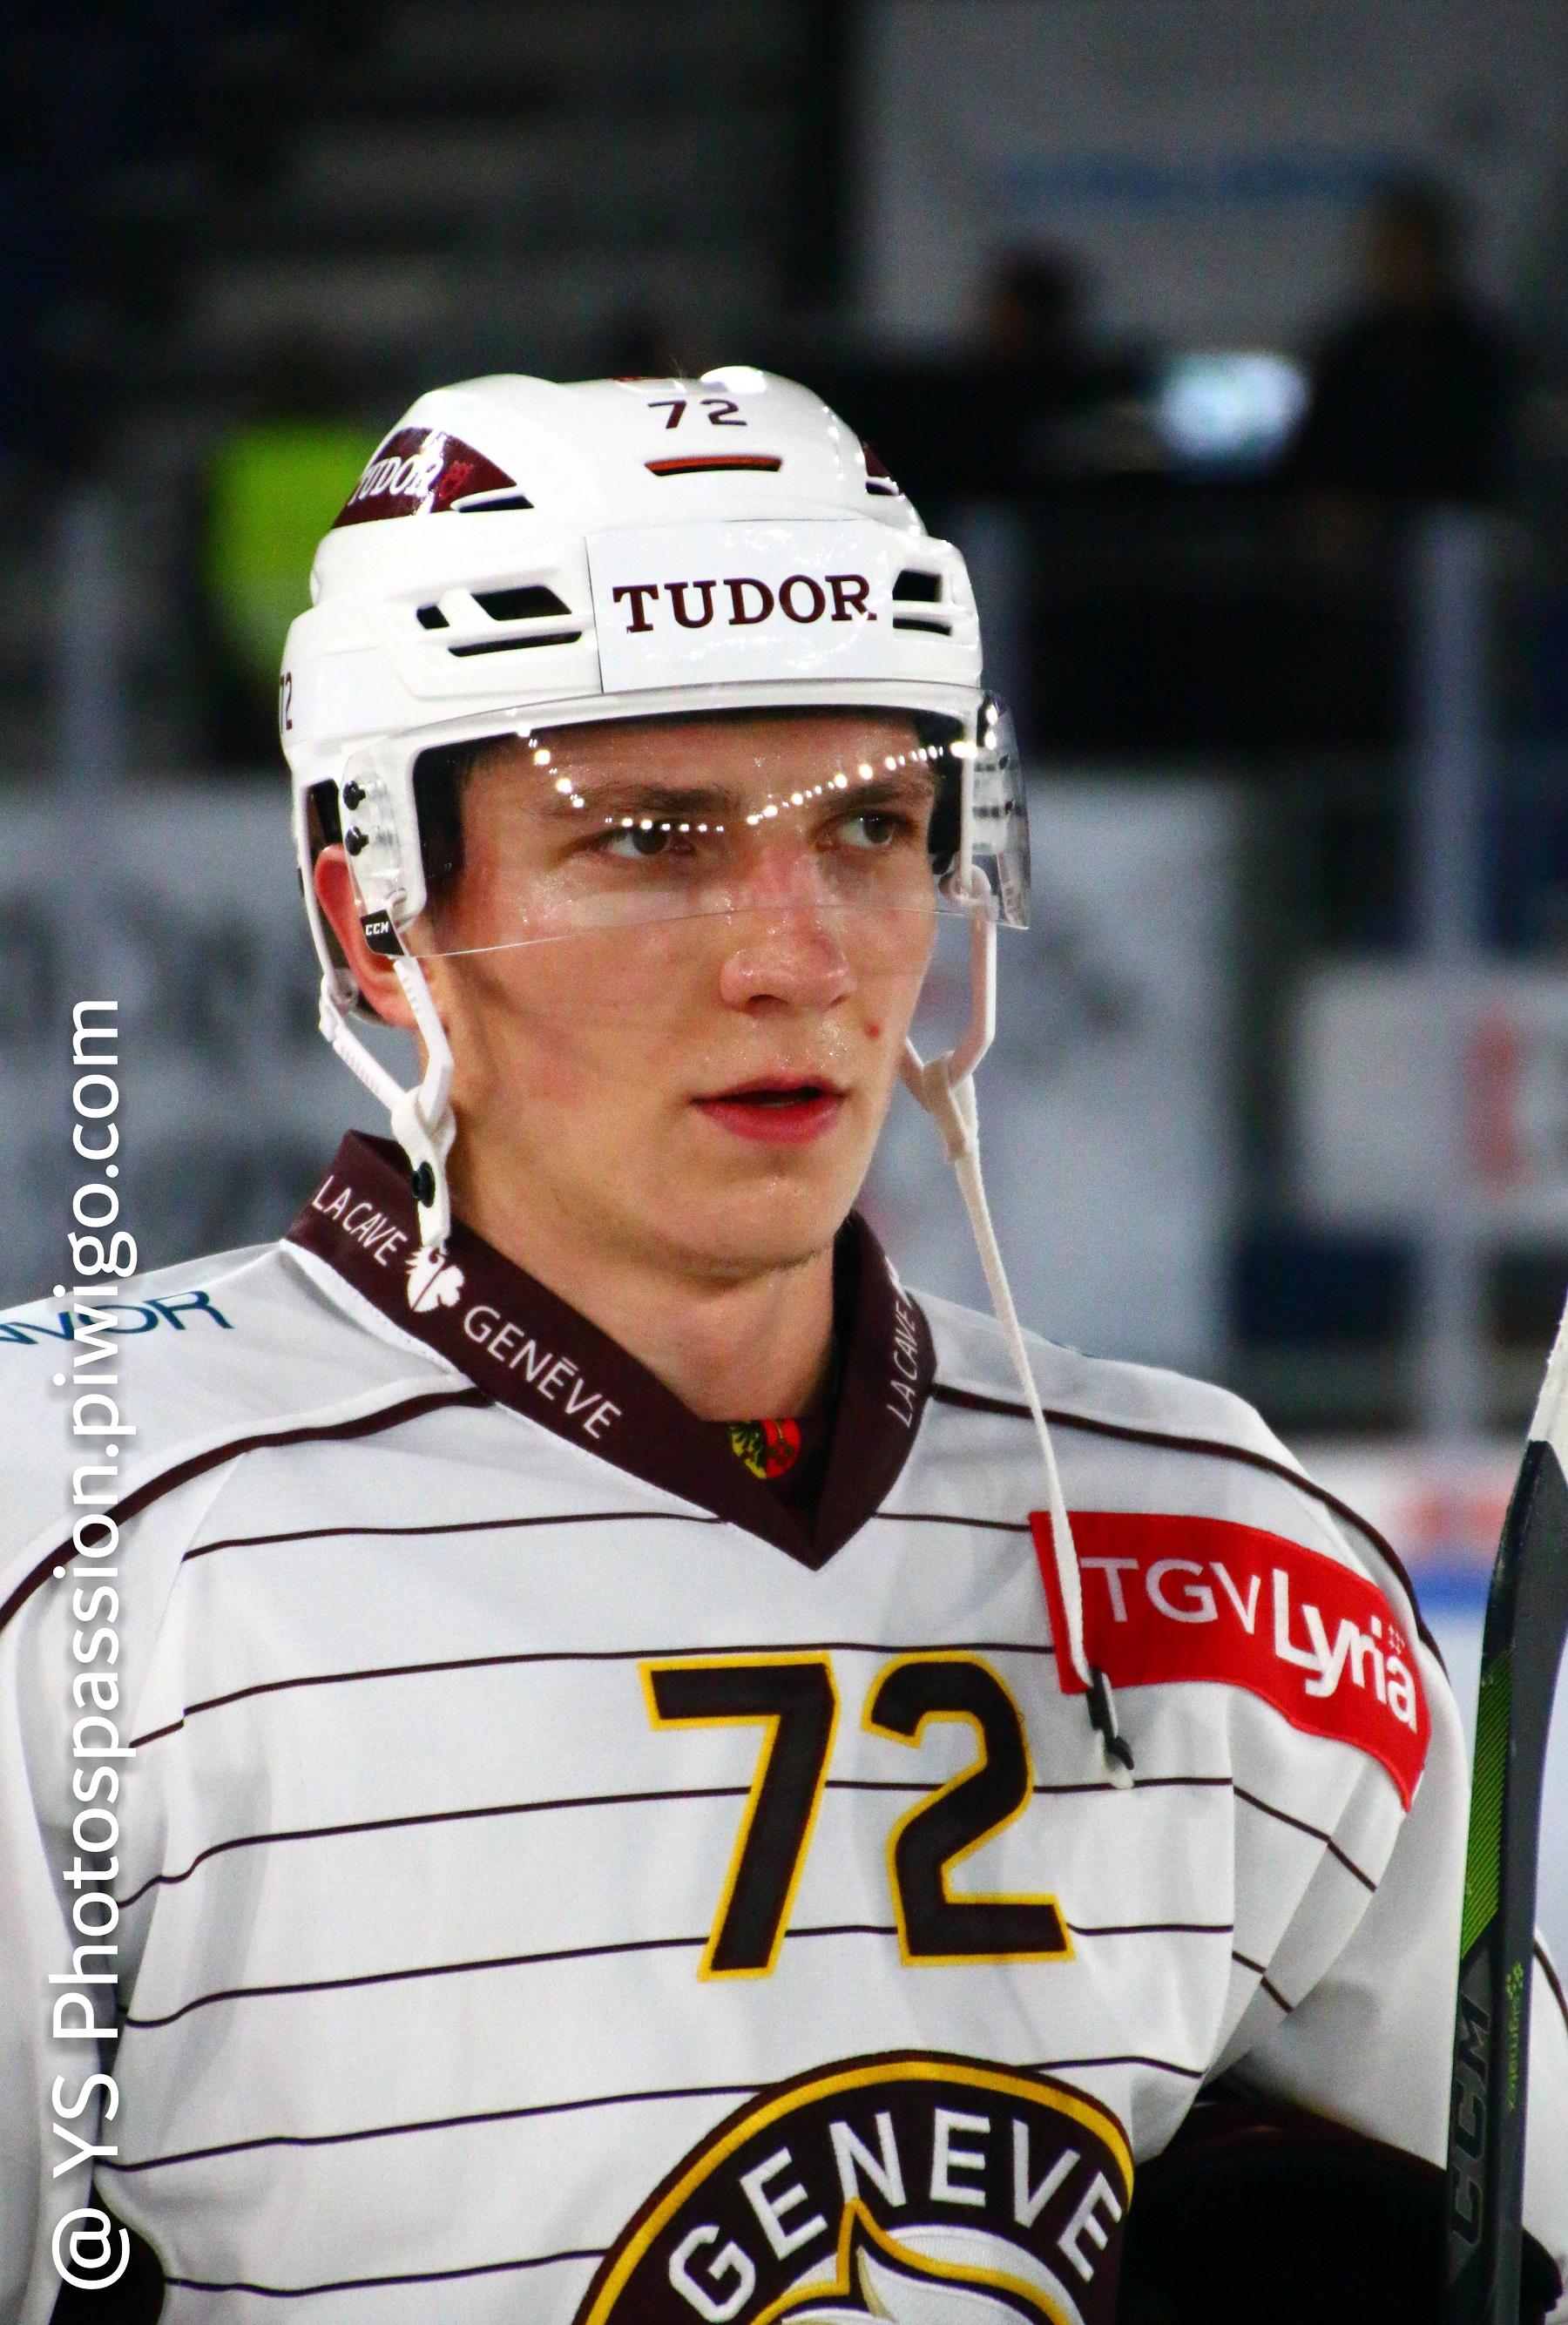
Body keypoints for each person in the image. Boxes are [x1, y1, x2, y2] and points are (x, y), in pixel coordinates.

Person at [1, 369, 1565, 2325]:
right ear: (379, 918)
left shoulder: (1233, 1559)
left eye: (872, 826)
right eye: (650, 841)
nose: (796, 955)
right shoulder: (69, 1532)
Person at [1291, 175, 1519, 508]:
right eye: (1385, 249)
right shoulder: (1350, 349)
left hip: (1454, 514)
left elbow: (1485, 455)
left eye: (1405, 248)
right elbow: (1319, 453)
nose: (1393, 264)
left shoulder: (1476, 350)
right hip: (1364, 519)